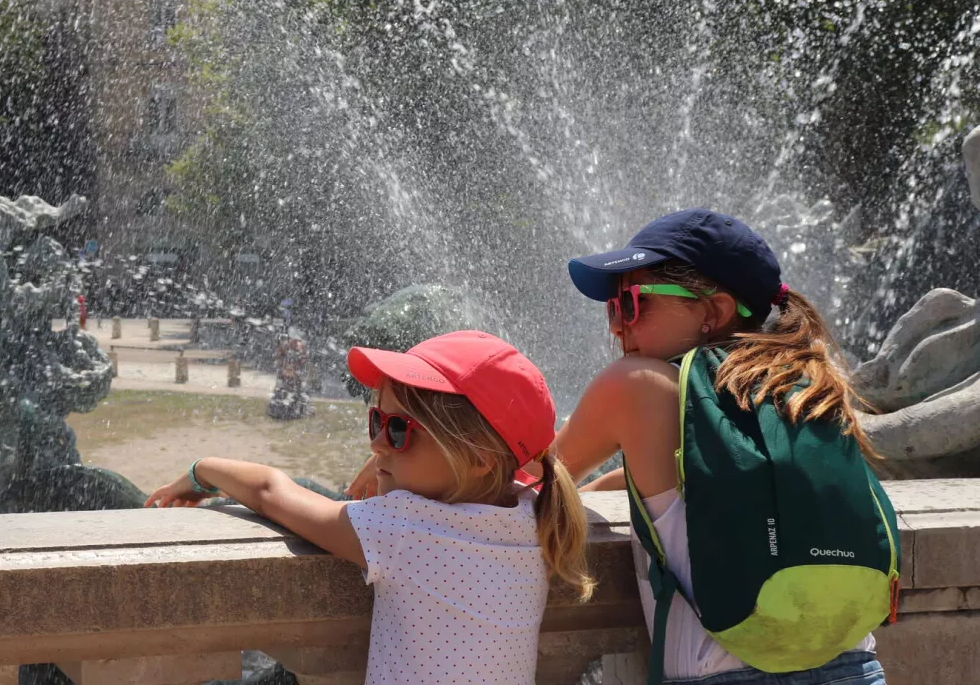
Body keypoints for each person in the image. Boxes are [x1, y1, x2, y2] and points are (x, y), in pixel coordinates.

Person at [552, 209, 892, 685]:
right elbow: (733, 482)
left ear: (713, 311)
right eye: (613, 308)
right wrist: (612, 485)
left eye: (631, 303)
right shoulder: (811, 384)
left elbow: (535, 478)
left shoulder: (638, 384)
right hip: (854, 667)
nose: (616, 326)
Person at [147, 331, 594, 684]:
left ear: (477, 457)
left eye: (399, 430)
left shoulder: (402, 527)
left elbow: (269, 491)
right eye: (376, 420)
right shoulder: (532, 513)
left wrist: (200, 472)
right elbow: (511, 462)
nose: (376, 441)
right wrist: (391, 455)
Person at [266, 329, 313, 420]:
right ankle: (280, 411)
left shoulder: (300, 351)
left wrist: (295, 371)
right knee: (282, 392)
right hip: (286, 377)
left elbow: (302, 362)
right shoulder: (285, 347)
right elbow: (278, 359)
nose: (298, 343)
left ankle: (294, 411)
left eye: (299, 341)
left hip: (294, 378)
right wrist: (284, 369)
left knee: (298, 393)